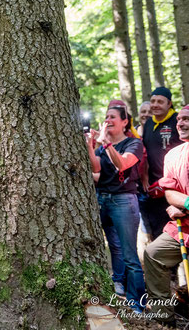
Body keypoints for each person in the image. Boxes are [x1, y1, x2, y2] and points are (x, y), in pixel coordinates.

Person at [86, 100, 145, 313]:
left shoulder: (133, 144)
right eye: (106, 117)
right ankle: (117, 285)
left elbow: (123, 164)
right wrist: (91, 146)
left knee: (130, 254)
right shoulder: (104, 147)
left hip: (124, 201)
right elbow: (96, 168)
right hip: (103, 199)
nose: (107, 120)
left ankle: (137, 303)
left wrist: (107, 144)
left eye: (113, 117)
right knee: (114, 248)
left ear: (124, 122)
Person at [144, 105, 189, 325]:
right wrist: (182, 205)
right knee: (153, 253)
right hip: (184, 226)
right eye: (179, 119)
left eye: (187, 119)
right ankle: (164, 318)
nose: (180, 123)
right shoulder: (172, 155)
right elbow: (170, 192)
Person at [143, 87, 183, 239]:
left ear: (169, 104)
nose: (155, 105)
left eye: (160, 102)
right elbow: (144, 152)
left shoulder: (178, 121)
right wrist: (145, 176)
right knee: (158, 230)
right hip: (155, 188)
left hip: (177, 187)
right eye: (153, 101)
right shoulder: (148, 124)